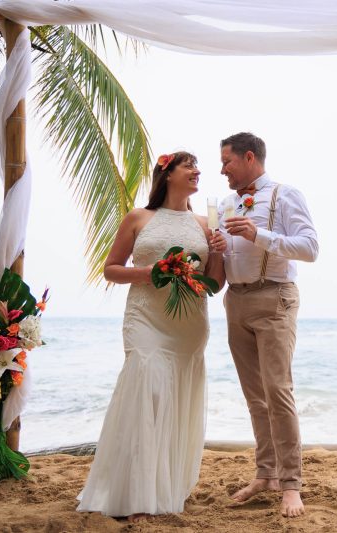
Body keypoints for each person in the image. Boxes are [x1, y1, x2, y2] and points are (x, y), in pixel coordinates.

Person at [77, 151, 226, 522]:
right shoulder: (138, 218)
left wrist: (220, 253)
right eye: (188, 165)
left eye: (197, 167)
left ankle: (164, 489)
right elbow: (111, 269)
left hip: (188, 324)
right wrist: (153, 271)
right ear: (167, 174)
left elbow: (215, 285)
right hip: (145, 317)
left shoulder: (206, 223)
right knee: (146, 391)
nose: (196, 171)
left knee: (172, 400)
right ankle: (135, 495)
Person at [215, 132, 318, 518]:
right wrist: (218, 248)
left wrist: (259, 235)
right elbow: (227, 256)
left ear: (249, 158)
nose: (222, 168)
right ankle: (266, 474)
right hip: (235, 300)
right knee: (254, 395)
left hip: (275, 296)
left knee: (278, 392)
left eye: (227, 161)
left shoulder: (284, 194)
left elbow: (310, 247)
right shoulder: (225, 203)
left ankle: (291, 484)